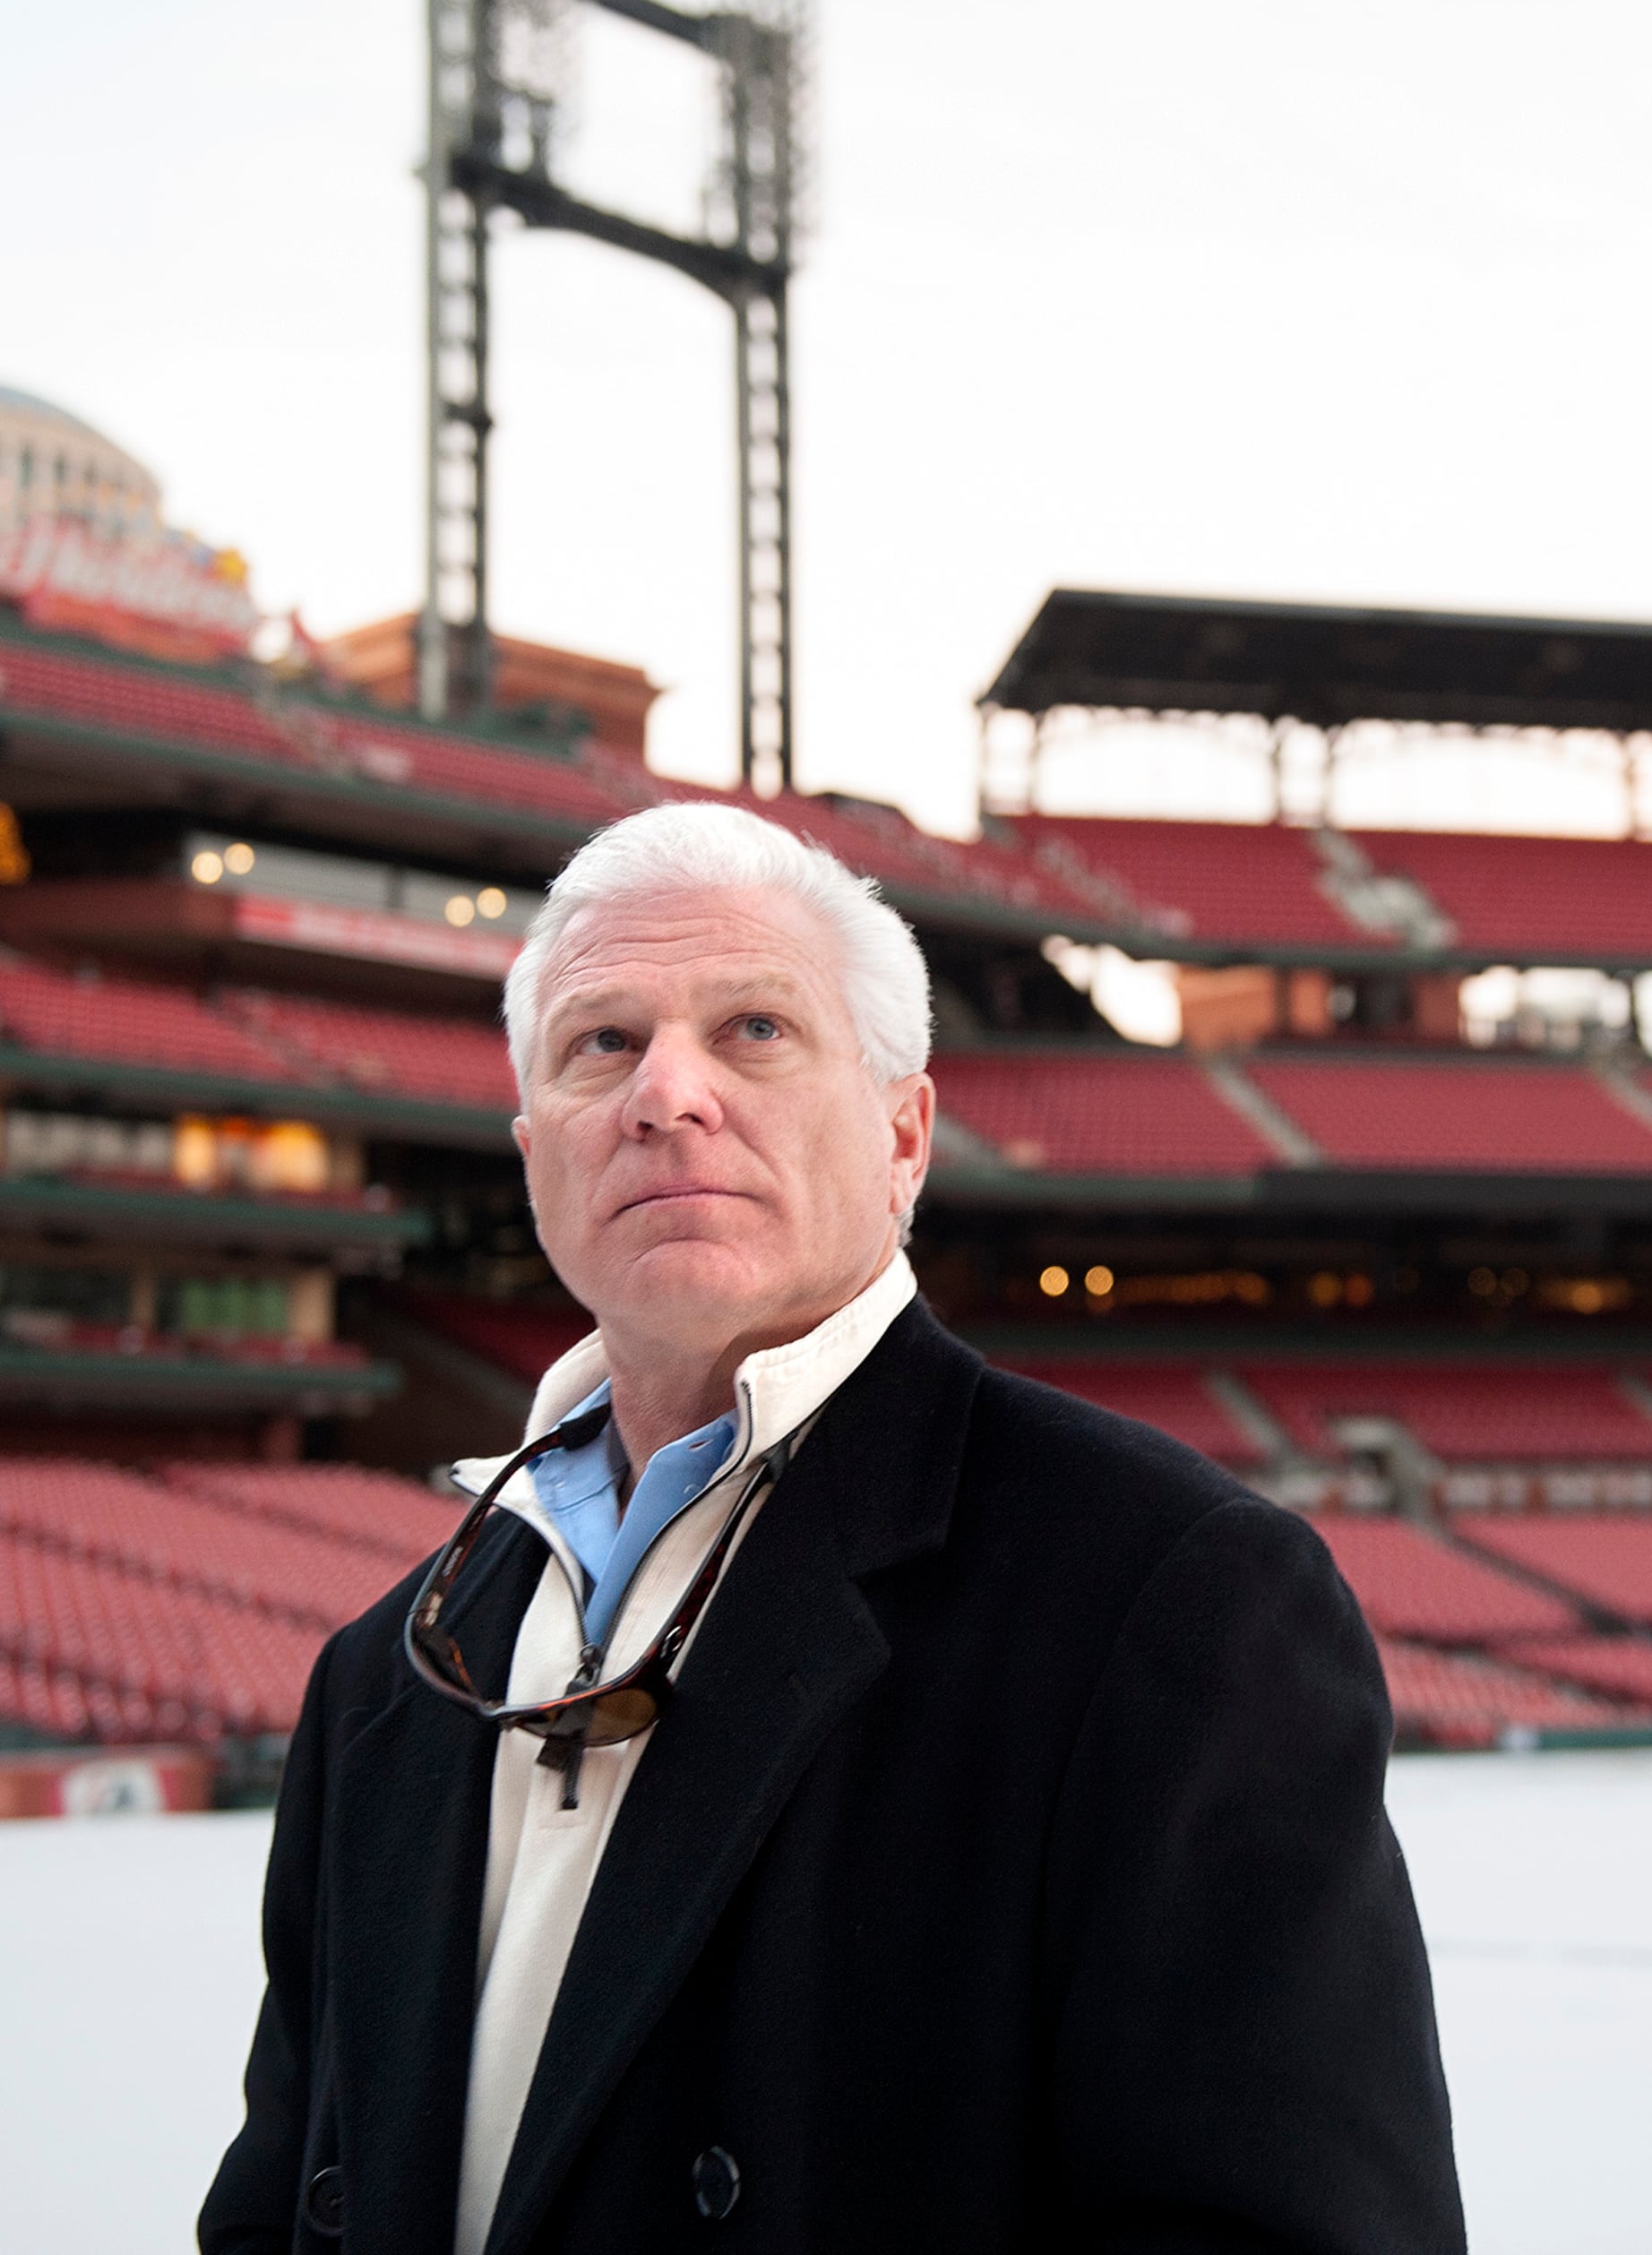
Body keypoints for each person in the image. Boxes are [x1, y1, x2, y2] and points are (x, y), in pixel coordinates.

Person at [202, 803, 1463, 2255]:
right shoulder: (386, 1679)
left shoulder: (1167, 1598)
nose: (665, 1094)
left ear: (904, 1133)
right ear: (534, 1153)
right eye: (599, 1044)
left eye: (753, 1030)